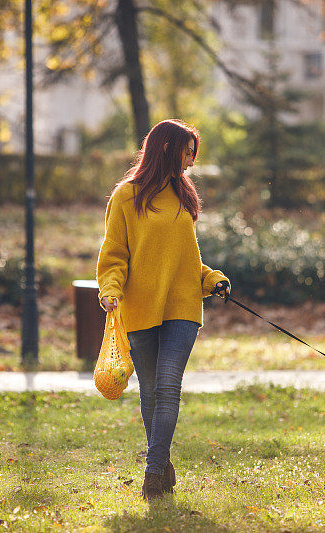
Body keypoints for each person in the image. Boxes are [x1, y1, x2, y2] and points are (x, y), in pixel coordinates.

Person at [96, 119, 230, 501]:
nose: (191, 161)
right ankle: (163, 457)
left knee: (169, 386)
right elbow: (114, 254)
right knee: (151, 392)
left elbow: (186, 259)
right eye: (188, 151)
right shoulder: (126, 196)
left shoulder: (182, 194)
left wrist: (212, 279)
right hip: (139, 307)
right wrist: (110, 290)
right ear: (168, 149)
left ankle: (153, 473)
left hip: (182, 308)